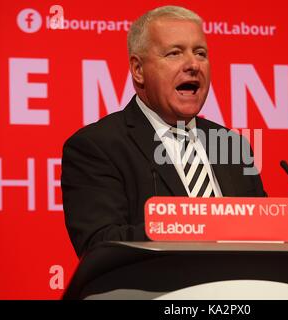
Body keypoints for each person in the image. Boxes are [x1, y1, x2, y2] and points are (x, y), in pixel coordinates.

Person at [61, 5, 266, 258]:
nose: (193, 64)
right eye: (174, 53)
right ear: (138, 70)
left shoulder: (231, 145)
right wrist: (195, 226)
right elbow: (101, 244)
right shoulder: (98, 146)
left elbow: (264, 232)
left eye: (200, 53)